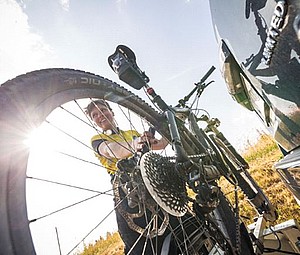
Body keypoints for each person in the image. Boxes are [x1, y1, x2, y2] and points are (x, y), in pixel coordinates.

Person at [85, 99, 169, 254]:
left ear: (112, 112)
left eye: (103, 110)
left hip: (150, 181)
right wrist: (137, 142)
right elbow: (112, 151)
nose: (99, 115)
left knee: (176, 227)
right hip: (125, 189)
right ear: (93, 121)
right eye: (94, 115)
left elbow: (160, 144)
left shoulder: (131, 133)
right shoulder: (97, 140)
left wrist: (168, 129)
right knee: (139, 245)